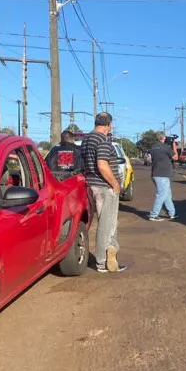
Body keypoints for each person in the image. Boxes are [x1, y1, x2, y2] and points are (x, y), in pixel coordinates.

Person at [80, 112, 126, 273]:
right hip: (105, 187)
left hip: (92, 184)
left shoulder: (87, 140)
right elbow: (102, 164)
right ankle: (102, 261)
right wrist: (115, 184)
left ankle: (111, 250)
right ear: (109, 124)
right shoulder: (103, 140)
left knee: (107, 224)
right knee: (107, 225)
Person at [148, 132, 179, 221]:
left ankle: (172, 213)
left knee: (167, 195)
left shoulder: (153, 148)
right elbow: (176, 157)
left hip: (155, 173)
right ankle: (153, 215)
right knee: (161, 195)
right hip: (163, 175)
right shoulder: (166, 147)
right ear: (164, 137)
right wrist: (174, 145)